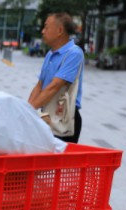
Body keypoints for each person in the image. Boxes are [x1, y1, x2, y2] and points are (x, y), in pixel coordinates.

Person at [27, 12, 84, 143]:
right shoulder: (50, 54)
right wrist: (27, 108)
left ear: (59, 30)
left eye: (46, 27)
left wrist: (28, 111)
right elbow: (40, 85)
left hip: (64, 117)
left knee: (60, 162)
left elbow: (54, 87)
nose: (43, 31)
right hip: (47, 115)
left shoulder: (74, 53)